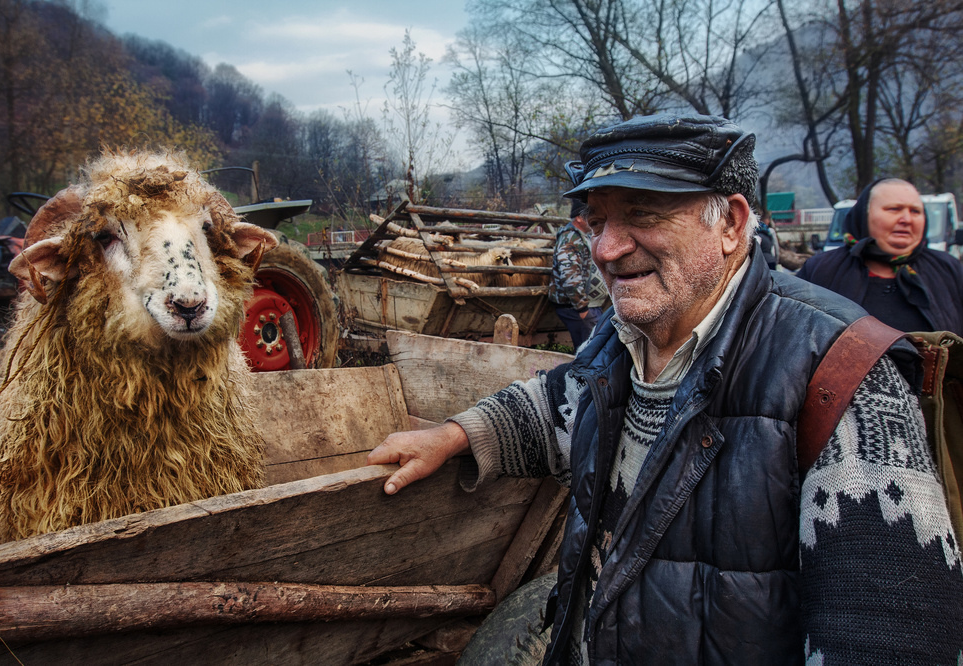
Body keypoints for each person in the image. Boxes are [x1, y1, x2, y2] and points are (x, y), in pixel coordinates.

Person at [368, 115, 963, 664]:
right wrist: (455, 434)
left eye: (644, 215)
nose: (605, 248)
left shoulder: (843, 374)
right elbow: (562, 403)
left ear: (731, 223)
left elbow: (891, 632)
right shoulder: (622, 335)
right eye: (596, 222)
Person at [797, 178, 963, 334]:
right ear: (864, 215)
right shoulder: (821, 271)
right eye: (894, 209)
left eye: (915, 211)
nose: (907, 219)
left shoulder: (948, 269)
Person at [549, 199, 610, 349]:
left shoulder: (584, 236)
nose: (594, 218)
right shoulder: (570, 238)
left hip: (589, 305)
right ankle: (584, 372)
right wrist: (582, 309)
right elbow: (570, 275)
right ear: (579, 217)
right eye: (590, 214)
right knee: (592, 348)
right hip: (576, 307)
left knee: (597, 344)